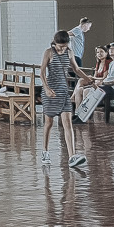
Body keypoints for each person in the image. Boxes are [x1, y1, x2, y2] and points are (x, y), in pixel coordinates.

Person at [40, 30, 87, 169]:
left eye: (65, 46)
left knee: (68, 123)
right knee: (48, 123)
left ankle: (72, 156)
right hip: (50, 90)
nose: (62, 48)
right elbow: (42, 71)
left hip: (63, 91)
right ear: (55, 43)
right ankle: (45, 151)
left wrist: (88, 78)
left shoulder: (70, 52)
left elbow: (76, 69)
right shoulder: (49, 52)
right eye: (60, 46)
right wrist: (47, 88)